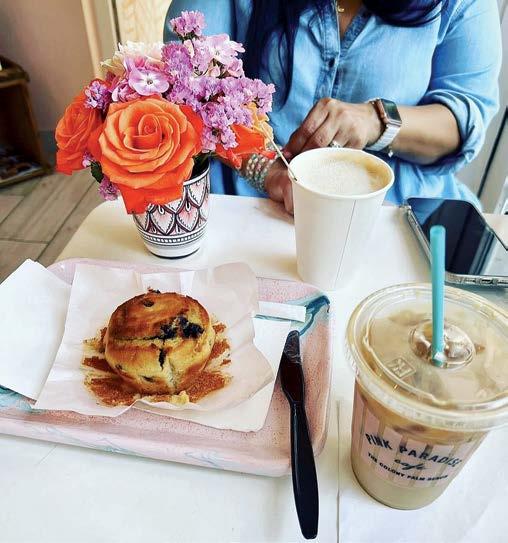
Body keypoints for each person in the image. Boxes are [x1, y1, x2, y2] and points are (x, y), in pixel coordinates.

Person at [164, 0, 502, 213]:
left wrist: (377, 121)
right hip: (249, 206)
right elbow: (187, 90)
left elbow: (463, 120)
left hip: (397, 212)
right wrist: (265, 171)